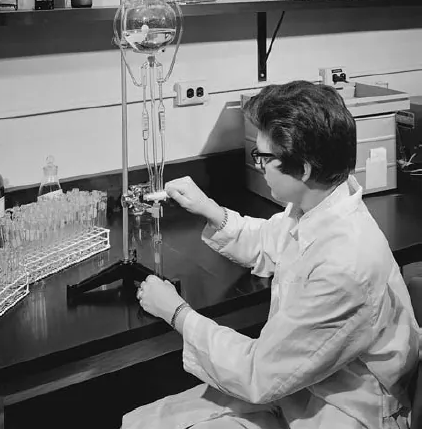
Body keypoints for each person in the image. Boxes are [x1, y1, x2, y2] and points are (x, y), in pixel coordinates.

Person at [122, 81, 421, 429]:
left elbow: (258, 374)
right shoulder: (323, 206)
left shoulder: (345, 265)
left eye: (264, 157)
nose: (259, 166)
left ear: (304, 168)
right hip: (305, 388)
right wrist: (209, 209)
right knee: (144, 422)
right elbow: (272, 240)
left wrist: (176, 312)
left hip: (343, 413)